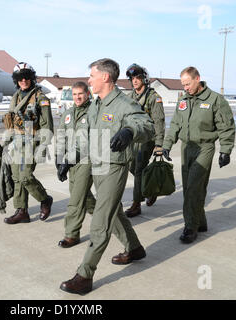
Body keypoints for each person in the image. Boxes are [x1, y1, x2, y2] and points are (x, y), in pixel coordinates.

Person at [60, 58, 155, 295]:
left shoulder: (123, 104)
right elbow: (87, 137)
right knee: (114, 213)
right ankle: (134, 249)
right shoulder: (96, 105)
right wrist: (70, 158)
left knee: (101, 221)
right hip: (96, 165)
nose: (89, 79)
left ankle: (84, 275)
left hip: (114, 167)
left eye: (92, 75)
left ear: (105, 77)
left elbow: (147, 124)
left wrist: (129, 130)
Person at [162, 66, 236, 244]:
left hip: (205, 147)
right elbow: (176, 124)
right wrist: (166, 144)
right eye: (183, 85)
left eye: (187, 84)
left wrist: (225, 150)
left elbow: (226, 126)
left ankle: (190, 227)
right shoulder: (183, 100)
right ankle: (201, 222)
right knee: (190, 186)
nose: (185, 88)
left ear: (198, 79)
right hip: (187, 148)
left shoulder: (215, 100)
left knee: (193, 187)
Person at [2, 62, 54, 224]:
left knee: (25, 176)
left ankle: (45, 199)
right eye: (20, 78)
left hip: (33, 143)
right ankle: (21, 211)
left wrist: (43, 147)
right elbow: (11, 121)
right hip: (17, 143)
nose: (23, 80)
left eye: (26, 77)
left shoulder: (41, 98)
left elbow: (47, 126)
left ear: (31, 78)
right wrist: (5, 142)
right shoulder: (16, 97)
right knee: (17, 177)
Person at [55, 81, 96, 248]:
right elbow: (61, 136)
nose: (77, 97)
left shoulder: (94, 112)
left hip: (88, 160)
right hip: (72, 161)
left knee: (76, 199)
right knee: (83, 196)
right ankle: (109, 216)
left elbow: (85, 143)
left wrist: (67, 160)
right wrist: (59, 158)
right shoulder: (68, 113)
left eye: (80, 94)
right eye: (74, 94)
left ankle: (71, 235)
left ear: (87, 94)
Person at [125, 63, 165, 218]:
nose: (135, 81)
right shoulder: (129, 98)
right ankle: (151, 189)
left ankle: (136, 204)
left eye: (138, 77)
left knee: (139, 168)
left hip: (148, 138)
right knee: (131, 166)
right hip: (134, 139)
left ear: (144, 79)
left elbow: (159, 121)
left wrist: (159, 144)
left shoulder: (153, 98)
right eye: (133, 78)